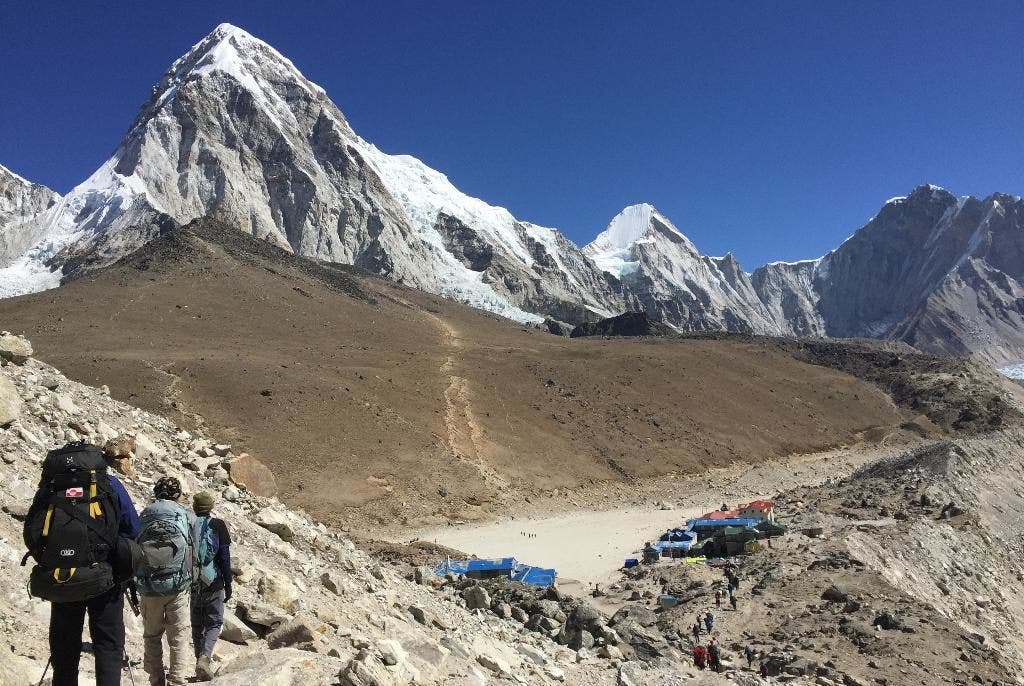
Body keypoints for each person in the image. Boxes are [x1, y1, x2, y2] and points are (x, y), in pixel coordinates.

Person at [24, 442, 141, 686]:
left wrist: (54, 558)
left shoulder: (52, 487)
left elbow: (32, 532)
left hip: (62, 577)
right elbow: (133, 528)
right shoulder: (109, 484)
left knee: (65, 649)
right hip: (105, 578)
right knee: (108, 647)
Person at [137, 477, 195, 686]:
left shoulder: (144, 514)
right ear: (177, 494)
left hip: (149, 584)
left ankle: (156, 679)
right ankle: (177, 679)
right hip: (177, 585)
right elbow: (192, 547)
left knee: (152, 634)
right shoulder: (185, 515)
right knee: (178, 635)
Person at [190, 492, 232, 681]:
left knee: (197, 623)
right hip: (213, 581)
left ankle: (199, 658)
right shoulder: (218, 525)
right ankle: (205, 658)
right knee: (214, 621)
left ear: (195, 507)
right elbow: (224, 557)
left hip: (191, 582)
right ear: (211, 507)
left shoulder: (188, 523)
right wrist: (228, 583)